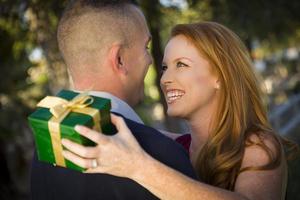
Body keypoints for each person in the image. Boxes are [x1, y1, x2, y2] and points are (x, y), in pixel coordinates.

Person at [61, 21, 299, 200]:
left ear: (221, 75)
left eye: (181, 65)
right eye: (164, 67)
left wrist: (138, 168)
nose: (165, 79)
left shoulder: (258, 147)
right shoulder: (169, 145)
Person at [30, 0, 197, 199]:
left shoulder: (45, 147)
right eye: (146, 46)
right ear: (119, 59)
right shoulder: (159, 152)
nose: (151, 59)